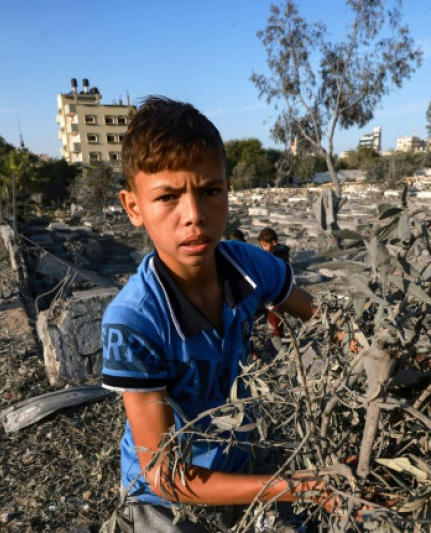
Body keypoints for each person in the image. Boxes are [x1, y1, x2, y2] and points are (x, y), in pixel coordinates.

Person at [101, 96, 320, 531]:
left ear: (228, 190)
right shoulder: (134, 321)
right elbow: (164, 474)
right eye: (167, 197)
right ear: (133, 208)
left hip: (239, 465)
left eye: (210, 191)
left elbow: (323, 318)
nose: (195, 216)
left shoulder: (249, 265)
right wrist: (292, 486)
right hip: (165, 501)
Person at [257, 227, 291, 337]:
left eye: (265, 245)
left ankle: (278, 335)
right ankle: (275, 333)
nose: (264, 248)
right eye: (263, 245)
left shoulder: (280, 255)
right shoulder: (273, 252)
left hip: (279, 288)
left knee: (276, 313)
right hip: (271, 287)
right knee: (271, 312)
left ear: (274, 242)